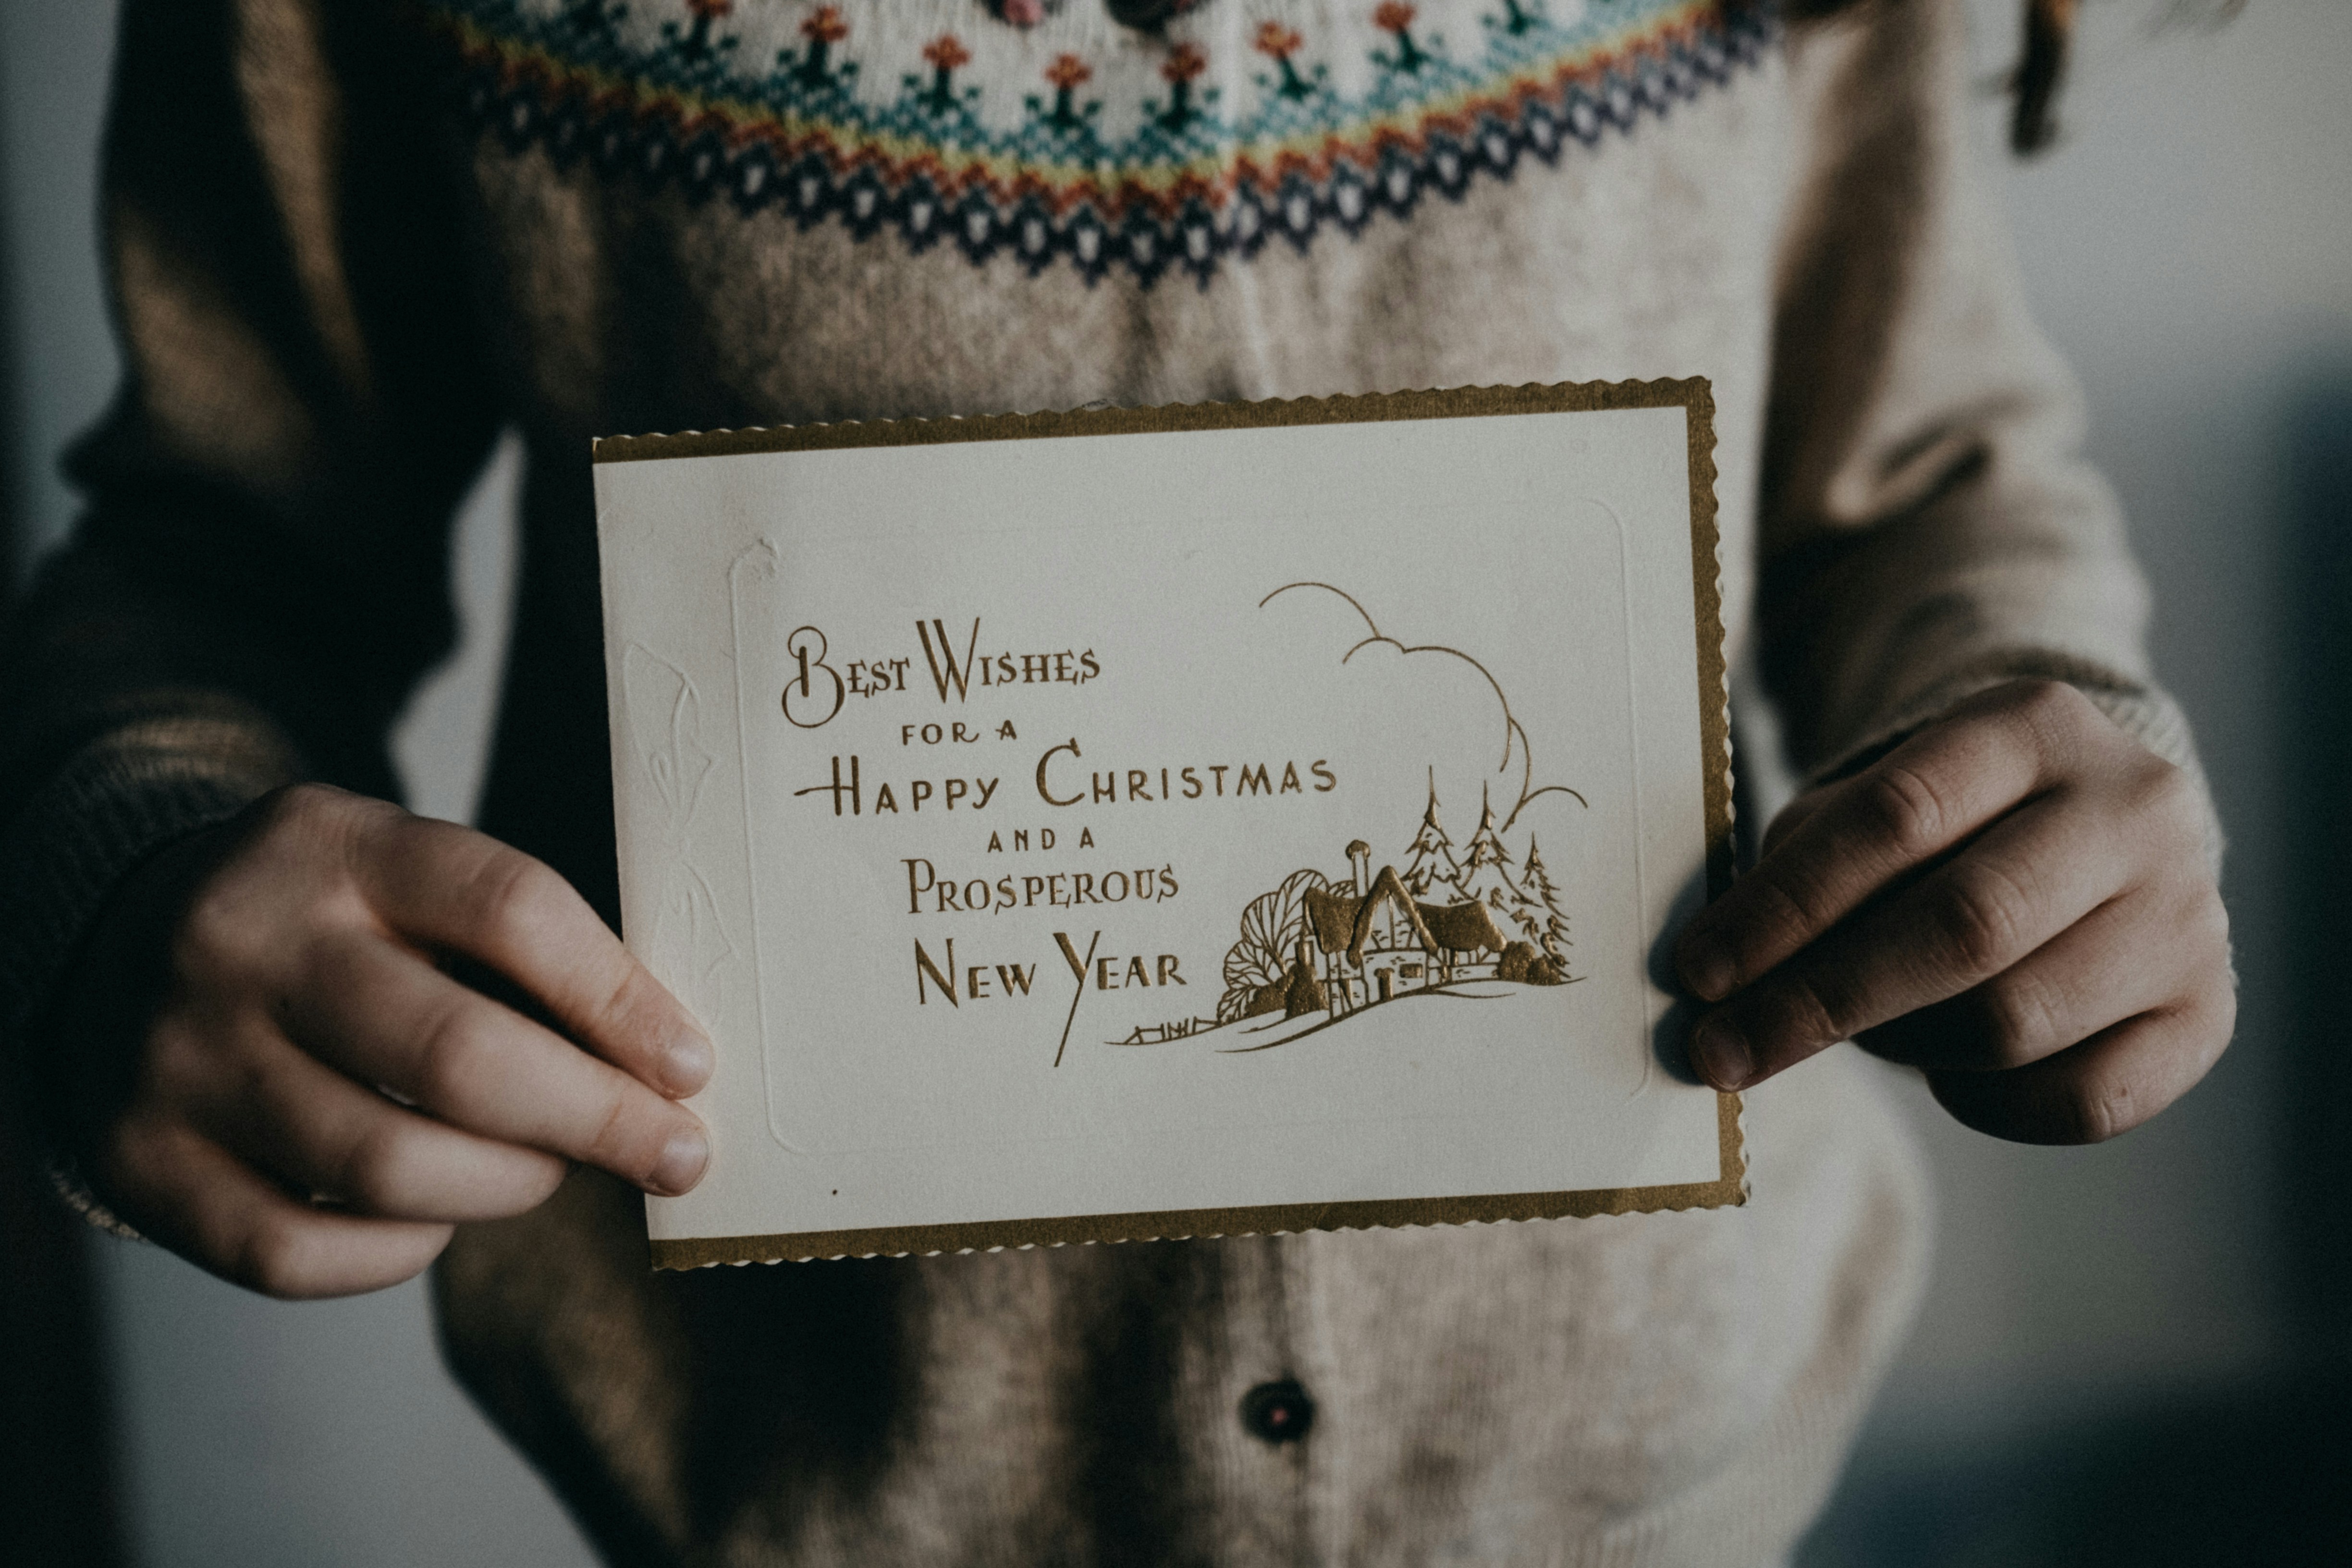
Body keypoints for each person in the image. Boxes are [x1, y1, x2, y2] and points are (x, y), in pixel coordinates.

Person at [0, 0, 2232, 1561]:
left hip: (1679, 1495)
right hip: (792, 1504)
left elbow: (1924, 475)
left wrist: (2047, 726)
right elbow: (215, 552)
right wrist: (139, 875)